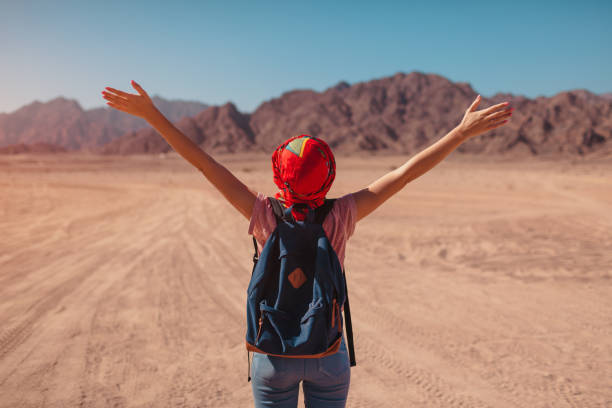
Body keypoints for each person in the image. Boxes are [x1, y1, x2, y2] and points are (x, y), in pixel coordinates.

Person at [101, 81, 512, 407]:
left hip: (272, 355)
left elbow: (205, 163)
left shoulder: (261, 212)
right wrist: (460, 132)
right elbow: (405, 173)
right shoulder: (344, 213)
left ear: (280, 176)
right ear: (329, 175)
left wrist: (152, 115)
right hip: (327, 352)